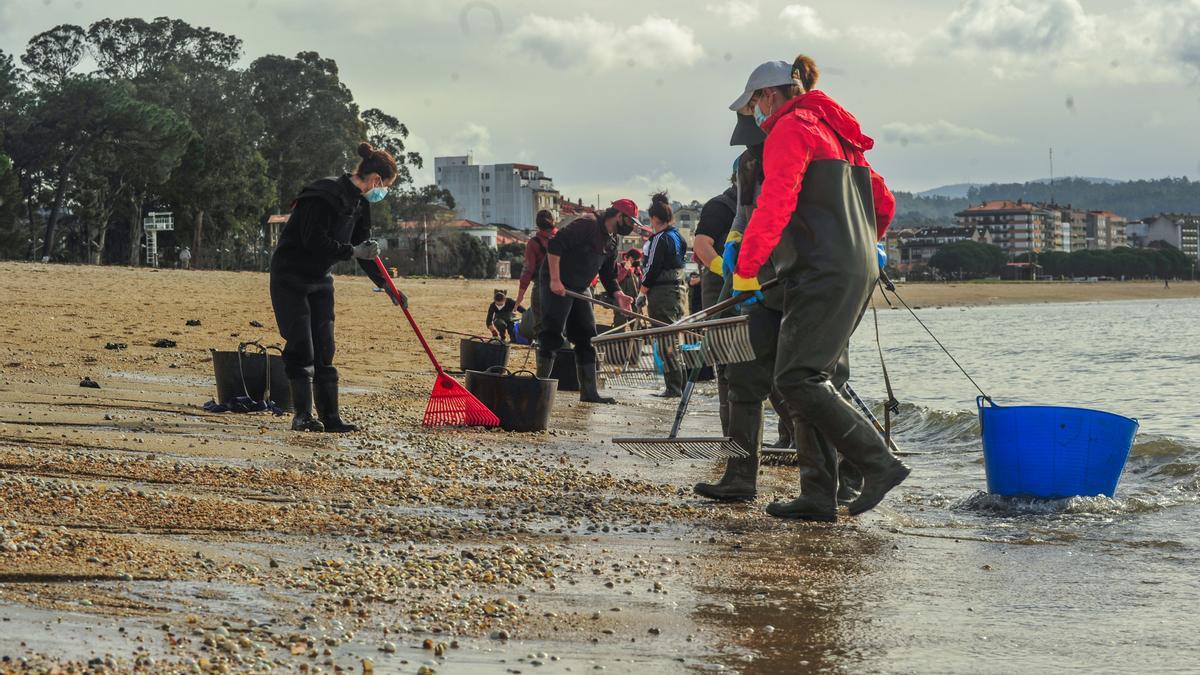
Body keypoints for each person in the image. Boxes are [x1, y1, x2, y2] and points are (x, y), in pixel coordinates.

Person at [726, 55, 907, 520]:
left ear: (768, 95)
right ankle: (818, 494)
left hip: (820, 270)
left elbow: (776, 201)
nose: (756, 119)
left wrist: (747, 264)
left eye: (753, 109)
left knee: (796, 378)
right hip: (851, 265)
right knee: (818, 377)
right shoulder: (841, 135)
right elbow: (883, 201)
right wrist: (865, 245)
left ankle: (878, 462)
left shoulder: (792, 128)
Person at [270, 142, 406, 433]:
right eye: (386, 187)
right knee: (301, 346)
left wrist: (387, 286)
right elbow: (313, 241)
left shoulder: (360, 203)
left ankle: (330, 417)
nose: (383, 193)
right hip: (290, 277)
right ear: (376, 180)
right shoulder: (323, 194)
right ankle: (302, 416)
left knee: (325, 348)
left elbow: (365, 249)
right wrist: (353, 252)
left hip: (321, 279)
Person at [536, 199, 639, 403]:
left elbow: (608, 273)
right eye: (631, 221)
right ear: (619, 216)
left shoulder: (612, 239)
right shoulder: (588, 224)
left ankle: (589, 393)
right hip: (558, 282)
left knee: (586, 336)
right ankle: (539, 389)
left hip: (580, 287)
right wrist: (555, 280)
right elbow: (556, 245)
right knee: (552, 333)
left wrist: (619, 295)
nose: (633, 226)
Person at [638, 193, 689, 398]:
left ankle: (673, 388)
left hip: (663, 293)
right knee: (674, 339)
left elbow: (652, 269)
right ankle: (681, 386)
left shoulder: (659, 239)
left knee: (666, 340)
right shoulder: (679, 236)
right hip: (679, 291)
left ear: (653, 219)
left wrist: (642, 292)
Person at [515, 210, 556, 343]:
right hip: (564, 287)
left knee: (540, 327)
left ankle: (544, 358)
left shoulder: (533, 243)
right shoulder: (562, 238)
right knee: (560, 325)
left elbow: (528, 270)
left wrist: (520, 295)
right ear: (553, 222)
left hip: (542, 288)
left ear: (537, 225)